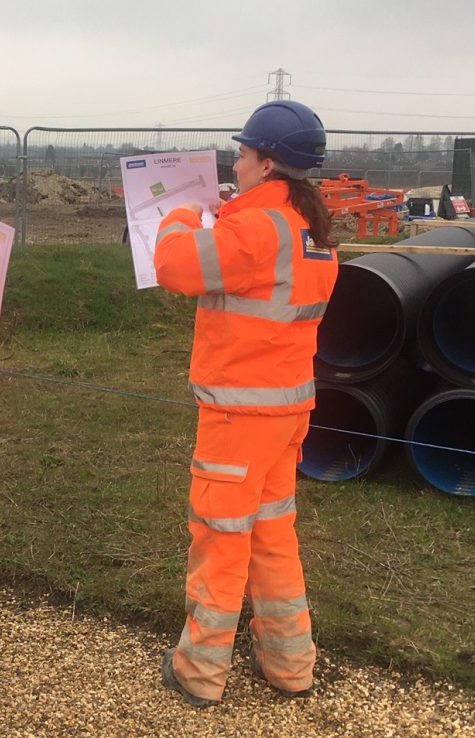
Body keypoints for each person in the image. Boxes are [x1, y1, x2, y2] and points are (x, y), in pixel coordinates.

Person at [154, 100, 337, 705]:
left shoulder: (260, 228)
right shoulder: (310, 231)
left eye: (242, 152)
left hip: (239, 416)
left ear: (267, 162)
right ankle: (290, 666)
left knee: (220, 536)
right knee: (272, 536)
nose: (236, 162)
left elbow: (175, 265)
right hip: (286, 414)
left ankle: (199, 672)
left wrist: (179, 211)